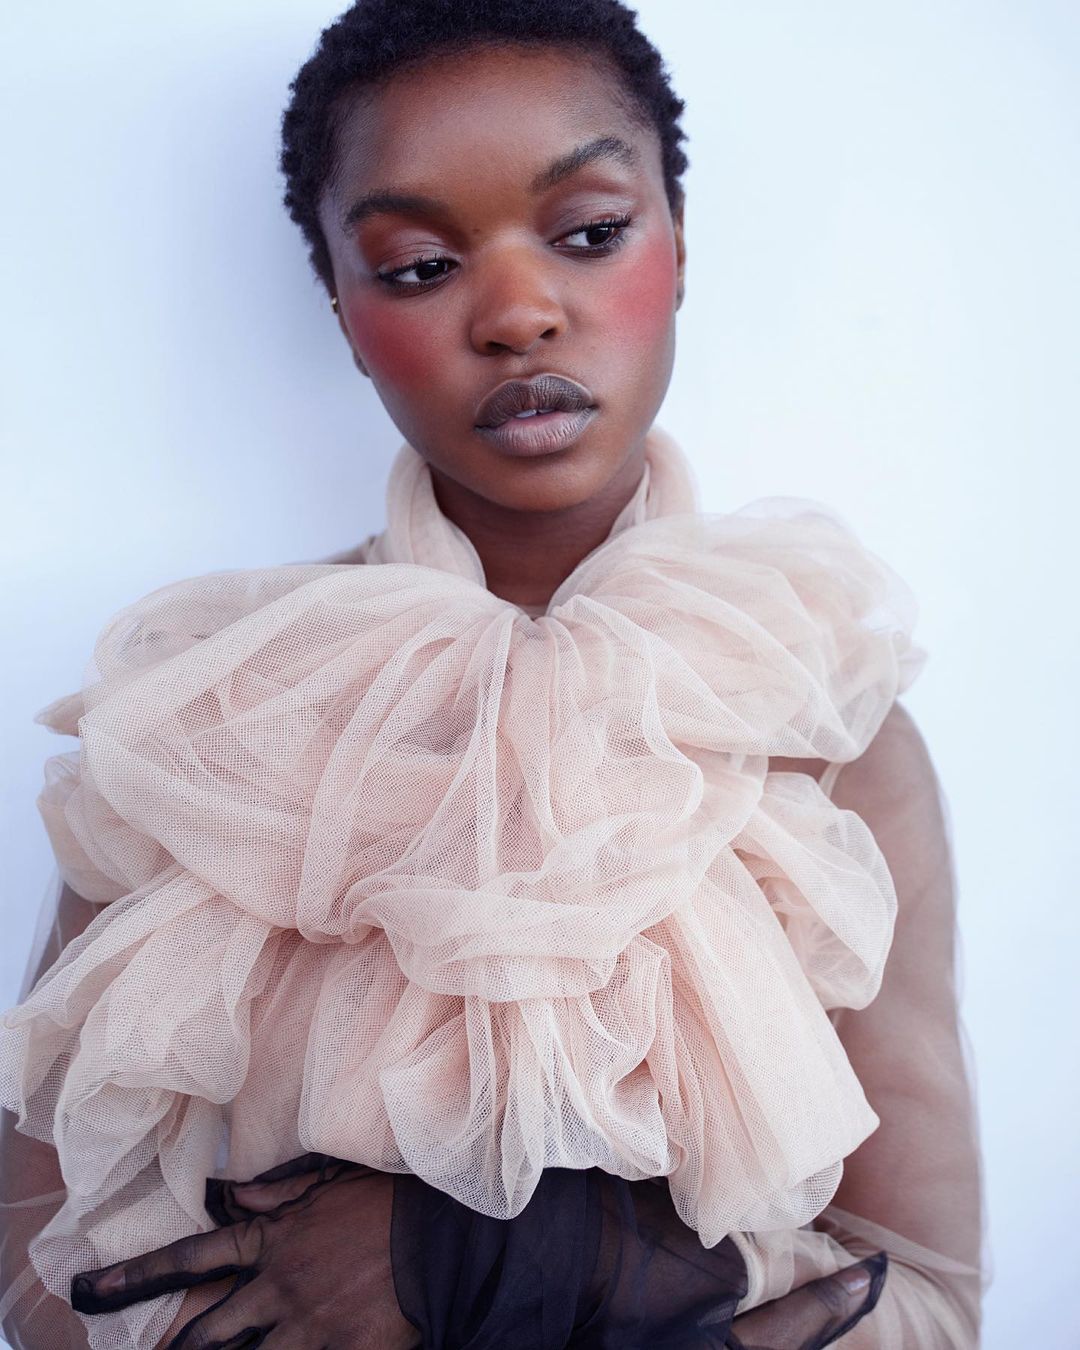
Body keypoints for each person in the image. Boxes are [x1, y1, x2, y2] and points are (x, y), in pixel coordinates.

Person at [0, 1, 987, 1346]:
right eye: (417, 265)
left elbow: (929, 1299)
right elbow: (43, 1276)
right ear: (344, 312)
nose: (520, 315)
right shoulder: (216, 710)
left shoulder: (822, 719)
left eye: (589, 233)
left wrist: (500, 1257)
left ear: (680, 245)